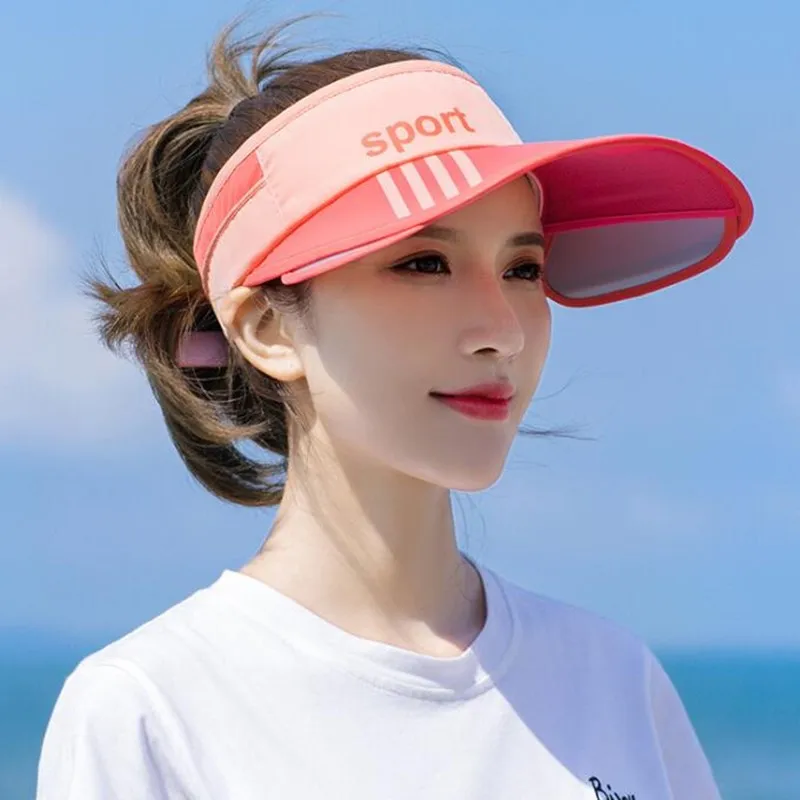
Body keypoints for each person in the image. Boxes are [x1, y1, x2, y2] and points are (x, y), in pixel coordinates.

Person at [36, 13, 753, 800]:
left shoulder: (615, 681)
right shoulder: (151, 711)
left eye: (522, 268)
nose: (503, 331)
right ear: (266, 326)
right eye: (424, 263)